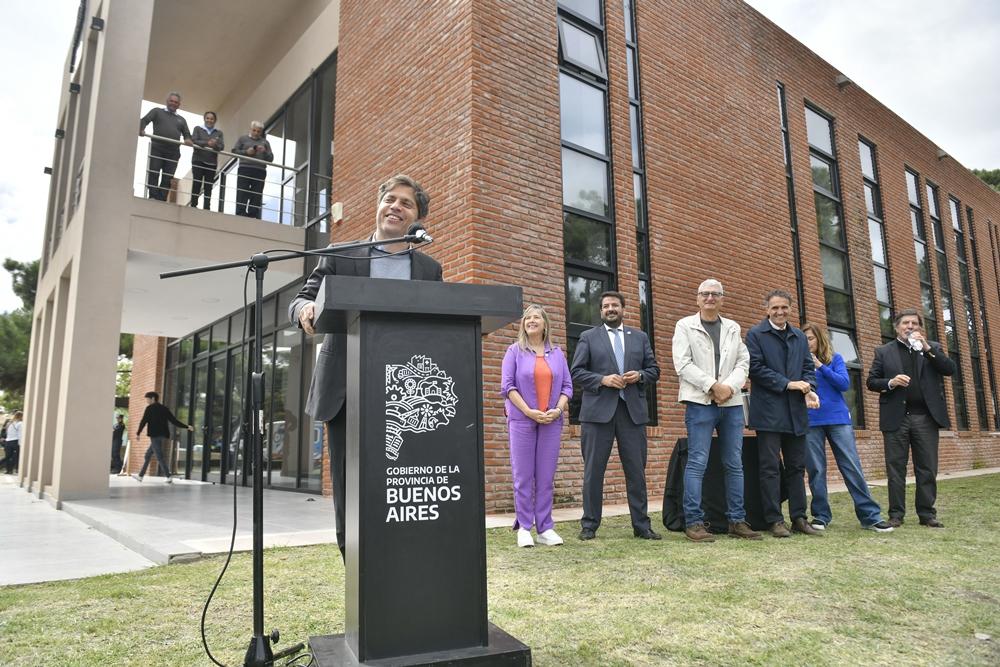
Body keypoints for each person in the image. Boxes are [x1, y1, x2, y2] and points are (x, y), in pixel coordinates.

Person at [289, 174, 443, 560]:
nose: (396, 206)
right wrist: (306, 309)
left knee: (401, 481)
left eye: (406, 203)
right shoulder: (342, 254)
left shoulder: (429, 269)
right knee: (350, 482)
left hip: (405, 397)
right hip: (347, 387)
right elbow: (303, 298)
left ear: (417, 218)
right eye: (390, 199)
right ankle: (355, 563)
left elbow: (440, 322)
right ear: (378, 206)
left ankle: (401, 558)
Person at [671, 279, 761, 542]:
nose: (710, 298)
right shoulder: (684, 325)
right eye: (705, 294)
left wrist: (729, 388)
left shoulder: (733, 327)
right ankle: (694, 523)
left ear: (722, 299)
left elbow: (743, 361)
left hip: (731, 404)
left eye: (715, 294)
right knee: (697, 463)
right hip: (700, 402)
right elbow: (682, 363)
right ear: (697, 299)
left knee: (734, 463)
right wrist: (712, 386)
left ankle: (737, 520)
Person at [570, 290, 661, 541]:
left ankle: (642, 526)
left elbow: (654, 370)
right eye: (606, 306)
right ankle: (589, 525)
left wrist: (640, 376)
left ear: (623, 309)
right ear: (601, 311)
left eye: (615, 305)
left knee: (636, 472)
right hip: (597, 414)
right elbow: (576, 372)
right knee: (593, 472)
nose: (611, 309)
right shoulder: (589, 337)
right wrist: (602, 379)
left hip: (632, 414)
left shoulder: (639, 337)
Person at [866, 309, 956, 528]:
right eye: (905, 323)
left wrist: (927, 349)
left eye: (914, 323)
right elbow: (871, 381)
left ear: (920, 328)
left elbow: (949, 369)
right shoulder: (884, 351)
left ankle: (926, 514)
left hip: (925, 418)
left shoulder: (932, 348)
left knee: (927, 468)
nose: (910, 326)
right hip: (896, 418)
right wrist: (891, 382)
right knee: (895, 469)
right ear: (897, 327)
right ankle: (896, 514)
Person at [802, 323, 894, 533]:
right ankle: (821, 516)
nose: (808, 342)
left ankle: (870, 516)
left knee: (851, 466)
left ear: (820, 340)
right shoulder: (799, 363)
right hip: (810, 420)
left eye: (811, 338)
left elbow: (843, 384)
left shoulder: (835, 359)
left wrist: (821, 367)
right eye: (804, 338)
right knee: (816, 470)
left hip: (838, 419)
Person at [745, 290, 822, 538]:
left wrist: (810, 389)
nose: (780, 312)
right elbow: (755, 369)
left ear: (791, 309)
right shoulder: (755, 334)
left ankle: (799, 517)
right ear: (766, 309)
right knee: (770, 468)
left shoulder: (799, 336)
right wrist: (789, 384)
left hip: (796, 412)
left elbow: (808, 368)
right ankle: (774, 519)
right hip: (768, 412)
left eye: (784, 308)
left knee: (797, 468)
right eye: (775, 308)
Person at [501, 304, 573, 547]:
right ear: (524, 324)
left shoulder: (557, 353)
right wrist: (529, 411)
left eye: (536, 318)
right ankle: (524, 527)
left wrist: (558, 409)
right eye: (527, 318)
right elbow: (507, 387)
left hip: (551, 422)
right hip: (522, 420)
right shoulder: (514, 351)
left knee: (545, 477)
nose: (531, 321)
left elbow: (567, 388)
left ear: (545, 324)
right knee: (523, 476)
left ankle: (545, 528)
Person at [139, 92, 193, 201]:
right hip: (157, 147)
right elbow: (144, 120)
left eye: (176, 102)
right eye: (171, 101)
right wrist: (141, 128)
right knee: (154, 172)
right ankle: (153, 196)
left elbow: (187, 134)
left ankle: (162, 198)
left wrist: (187, 139)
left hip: (173, 151)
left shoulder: (181, 119)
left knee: (168, 176)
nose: (173, 103)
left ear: (179, 105)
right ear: (167, 101)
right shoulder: (157, 111)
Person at [133, 391, 193, 483]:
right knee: (148, 455)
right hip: (162, 435)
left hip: (154, 436)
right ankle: (140, 476)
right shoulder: (164, 408)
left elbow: (143, 421)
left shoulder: (149, 408)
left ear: (153, 398)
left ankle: (168, 476)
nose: (147, 401)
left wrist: (138, 433)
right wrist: (187, 426)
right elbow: (174, 421)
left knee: (159, 457)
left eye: (147, 399)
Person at [232, 121, 274, 218]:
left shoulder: (265, 142)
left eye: (258, 131)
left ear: (261, 132)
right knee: (242, 191)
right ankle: (241, 212)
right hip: (245, 168)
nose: (256, 133)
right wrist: (246, 152)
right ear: (250, 129)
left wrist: (264, 152)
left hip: (260, 170)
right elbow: (234, 151)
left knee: (257, 193)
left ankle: (253, 213)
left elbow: (271, 158)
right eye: (254, 130)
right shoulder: (243, 139)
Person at [190, 111, 224, 209]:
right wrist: (207, 143)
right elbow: (194, 140)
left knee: (208, 186)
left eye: (212, 119)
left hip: (211, 162)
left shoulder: (219, 133)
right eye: (207, 118)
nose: (209, 120)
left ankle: (206, 207)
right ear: (204, 119)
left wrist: (215, 145)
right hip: (198, 160)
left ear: (215, 120)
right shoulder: (198, 128)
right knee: (197, 182)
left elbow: (221, 147)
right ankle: (193, 204)